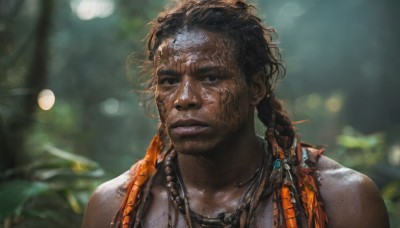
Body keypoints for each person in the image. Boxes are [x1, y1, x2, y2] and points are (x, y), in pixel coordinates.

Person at [82, 0, 390, 227]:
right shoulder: (115, 207)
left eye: (210, 77)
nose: (184, 99)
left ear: (255, 88)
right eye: (169, 81)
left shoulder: (344, 201)